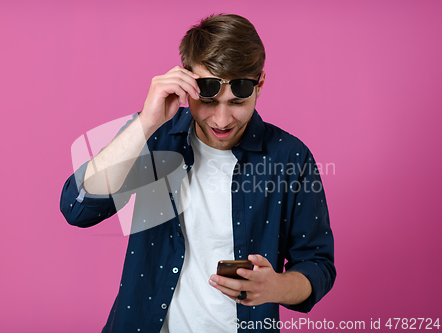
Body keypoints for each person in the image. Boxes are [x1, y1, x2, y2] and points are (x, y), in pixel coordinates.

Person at [60, 14, 335, 333]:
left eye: (237, 102)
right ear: (187, 83)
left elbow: (318, 264)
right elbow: (77, 207)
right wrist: (146, 123)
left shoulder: (290, 156)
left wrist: (276, 288)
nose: (221, 119)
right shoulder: (155, 136)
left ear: (259, 84)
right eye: (208, 100)